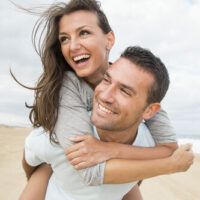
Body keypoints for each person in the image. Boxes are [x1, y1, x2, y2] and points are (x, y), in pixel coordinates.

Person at [16, 0, 179, 198]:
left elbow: (170, 149)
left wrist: (109, 149)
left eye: (84, 32)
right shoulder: (67, 88)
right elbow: (88, 169)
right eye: (64, 39)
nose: (73, 46)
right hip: (65, 164)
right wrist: (41, 175)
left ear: (109, 40)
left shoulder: (133, 81)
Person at [21, 46, 193, 200]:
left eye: (124, 91)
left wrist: (113, 155)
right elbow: (29, 156)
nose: (104, 96)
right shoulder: (65, 137)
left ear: (149, 111)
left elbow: (156, 161)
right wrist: (37, 180)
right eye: (106, 80)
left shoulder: (150, 145)